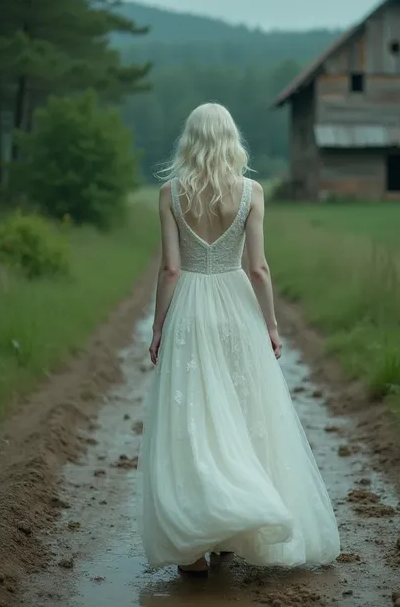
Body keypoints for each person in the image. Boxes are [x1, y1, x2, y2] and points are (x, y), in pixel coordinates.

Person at [141, 103, 340, 576]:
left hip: (190, 305)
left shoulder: (170, 193)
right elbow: (259, 268)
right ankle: (233, 532)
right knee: (244, 411)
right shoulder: (252, 192)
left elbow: (170, 269)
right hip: (236, 306)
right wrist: (270, 325)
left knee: (194, 420)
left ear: (189, 140)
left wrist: (157, 326)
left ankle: (194, 546)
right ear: (231, 139)